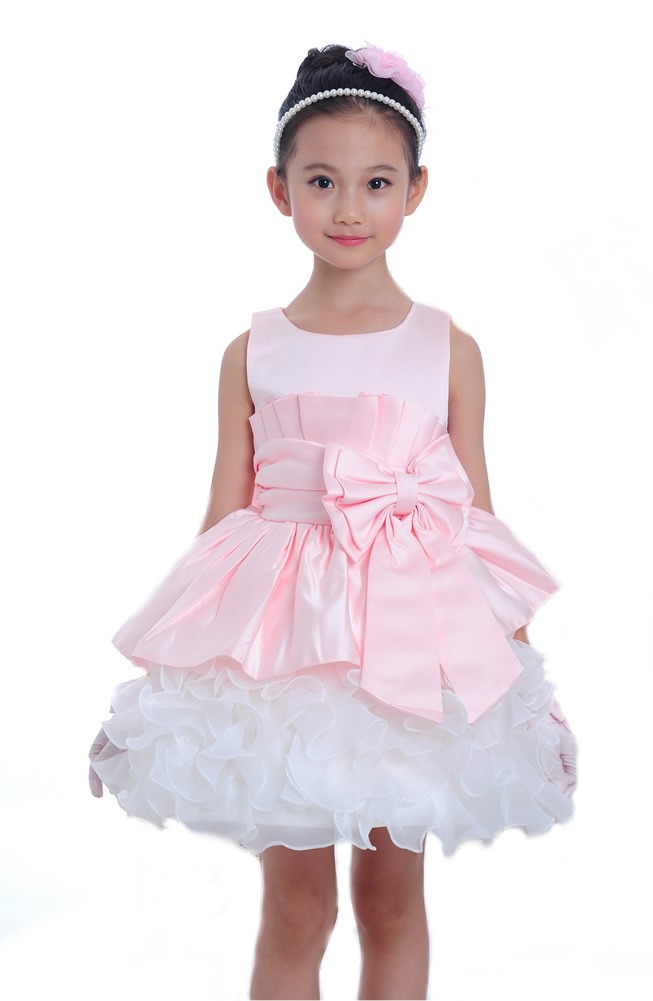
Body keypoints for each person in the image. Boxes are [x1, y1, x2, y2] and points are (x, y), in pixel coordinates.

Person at [88, 41, 578, 1001]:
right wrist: (161, 688)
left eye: (377, 182)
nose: (349, 208)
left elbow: (472, 519)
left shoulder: (449, 348)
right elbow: (223, 521)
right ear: (279, 189)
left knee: (392, 901)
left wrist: (524, 682)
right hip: (287, 664)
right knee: (297, 908)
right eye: (321, 181)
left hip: (411, 648)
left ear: (416, 190)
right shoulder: (253, 350)